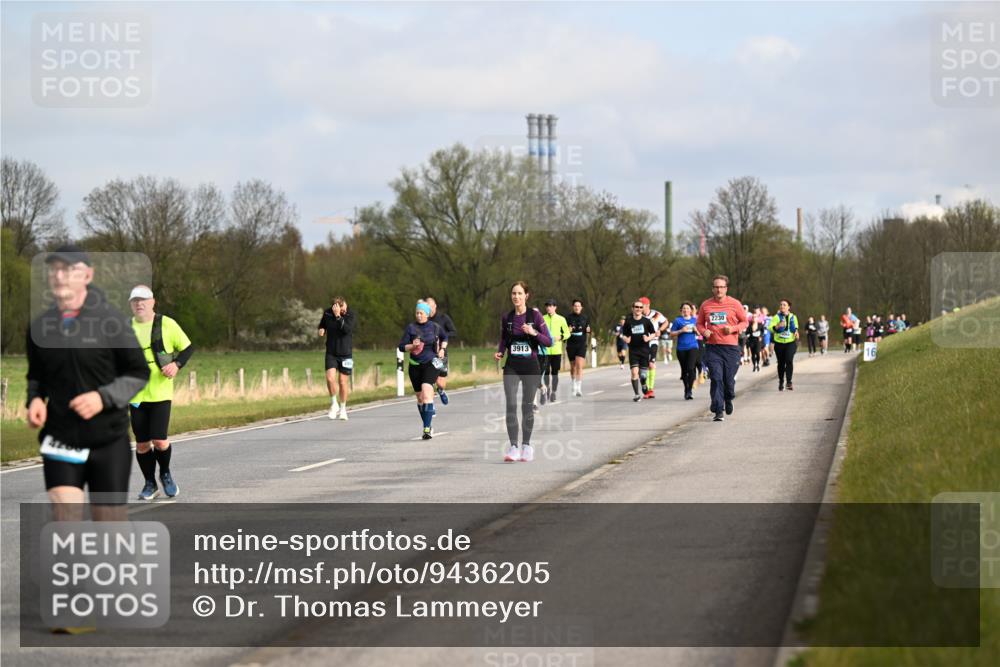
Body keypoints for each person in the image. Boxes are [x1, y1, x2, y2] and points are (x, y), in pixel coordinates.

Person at [26, 245, 150, 522]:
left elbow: (138, 372)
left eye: (69, 270)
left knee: (110, 528)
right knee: (65, 517)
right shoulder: (40, 327)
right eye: (55, 269)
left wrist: (102, 398)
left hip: (107, 440)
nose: (60, 276)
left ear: (87, 275)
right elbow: (37, 375)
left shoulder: (111, 322)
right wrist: (34, 399)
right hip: (61, 437)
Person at [128, 285, 195, 501]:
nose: (139, 303)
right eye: (135, 300)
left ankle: (165, 474)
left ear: (152, 302)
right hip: (136, 396)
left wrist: (176, 365)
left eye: (143, 300)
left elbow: (187, 348)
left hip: (161, 393)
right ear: (131, 304)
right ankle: (150, 484)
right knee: (141, 443)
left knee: (159, 440)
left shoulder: (166, 324)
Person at [495, 282, 552, 462]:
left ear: (526, 295)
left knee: (526, 406)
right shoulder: (507, 317)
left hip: (530, 366)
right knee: (510, 405)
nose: (516, 297)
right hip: (512, 365)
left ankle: (526, 446)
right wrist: (500, 352)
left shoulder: (535, 316)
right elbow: (504, 338)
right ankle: (513, 447)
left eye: (520, 293)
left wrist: (534, 332)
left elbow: (548, 341)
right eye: (514, 293)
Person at [696, 275, 749, 422]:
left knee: (728, 380)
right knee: (716, 378)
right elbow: (699, 323)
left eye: (721, 287)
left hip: (731, 348)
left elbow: (745, 322)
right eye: (716, 287)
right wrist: (703, 331)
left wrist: (732, 329)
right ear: (713, 289)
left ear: (726, 288)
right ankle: (718, 410)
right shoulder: (706, 305)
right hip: (713, 348)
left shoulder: (734, 304)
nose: (719, 289)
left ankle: (728, 397)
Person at [399, 301, 447, 440]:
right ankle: (428, 424)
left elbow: (445, 337)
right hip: (414, 366)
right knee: (420, 398)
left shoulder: (435, 327)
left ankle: (426, 429)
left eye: (421, 313)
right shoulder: (411, 328)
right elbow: (401, 347)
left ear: (427, 314)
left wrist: (442, 348)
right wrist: (411, 346)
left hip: (431, 363)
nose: (419, 315)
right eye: (417, 313)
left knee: (427, 393)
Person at [317, 296, 355, 420]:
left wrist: (339, 316)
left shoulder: (350, 314)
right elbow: (322, 324)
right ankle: (334, 404)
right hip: (331, 352)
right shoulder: (327, 313)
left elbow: (346, 329)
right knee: (329, 378)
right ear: (334, 307)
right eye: (340, 308)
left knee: (343, 382)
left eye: (344, 307)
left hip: (346, 354)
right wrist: (322, 330)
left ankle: (343, 408)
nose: (344, 310)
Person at [620, 299, 657, 402]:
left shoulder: (646, 321)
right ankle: (636, 394)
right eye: (636, 307)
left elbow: (654, 333)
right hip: (633, 350)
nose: (639, 309)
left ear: (643, 309)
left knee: (643, 375)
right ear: (633, 308)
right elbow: (623, 334)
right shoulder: (628, 321)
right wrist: (625, 339)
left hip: (644, 350)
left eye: (641, 307)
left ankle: (644, 383)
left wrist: (648, 338)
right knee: (634, 372)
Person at [425, 296, 457, 405]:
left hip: (441, 353)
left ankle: (441, 390)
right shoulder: (424, 320)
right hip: (428, 354)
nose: (429, 309)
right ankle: (429, 406)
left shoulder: (443, 318)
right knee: (428, 380)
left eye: (430, 306)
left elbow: (453, 331)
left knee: (440, 382)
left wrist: (442, 336)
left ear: (435, 306)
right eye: (426, 307)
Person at [540, 299, 570, 404]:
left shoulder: (561, 319)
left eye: (551, 306)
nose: (548, 308)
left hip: (557, 350)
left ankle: (554, 392)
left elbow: (567, 333)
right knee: (546, 372)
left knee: (555, 373)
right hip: (545, 350)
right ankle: (547, 388)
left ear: (555, 307)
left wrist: (560, 337)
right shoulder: (542, 318)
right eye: (547, 306)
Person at [669, 302, 699, 400]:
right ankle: (686, 389)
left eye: (687, 308)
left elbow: (700, 333)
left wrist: (696, 330)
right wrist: (681, 330)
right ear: (681, 310)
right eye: (684, 309)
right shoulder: (678, 320)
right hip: (681, 348)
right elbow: (671, 334)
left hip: (693, 347)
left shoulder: (695, 320)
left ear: (691, 310)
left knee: (691, 368)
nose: (686, 310)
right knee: (684, 370)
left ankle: (689, 390)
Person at [639, 297, 668, 398]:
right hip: (641, 343)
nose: (639, 308)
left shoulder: (656, 314)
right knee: (643, 366)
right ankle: (645, 388)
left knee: (651, 364)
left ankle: (650, 389)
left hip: (653, 341)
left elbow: (666, 322)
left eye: (641, 306)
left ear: (647, 305)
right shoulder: (637, 316)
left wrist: (660, 330)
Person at [768, 300, 800, 391]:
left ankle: (789, 382)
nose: (782, 306)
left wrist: (796, 332)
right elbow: (770, 328)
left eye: (784, 305)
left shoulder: (793, 317)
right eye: (781, 304)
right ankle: (781, 380)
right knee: (781, 363)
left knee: (789, 360)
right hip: (779, 343)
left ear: (788, 307)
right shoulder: (776, 317)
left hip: (790, 342)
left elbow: (796, 327)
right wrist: (777, 326)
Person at [565, 299, 591, 397]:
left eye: (578, 306)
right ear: (573, 307)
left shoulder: (585, 317)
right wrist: (568, 330)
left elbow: (588, 330)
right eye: (575, 306)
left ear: (581, 307)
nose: (577, 307)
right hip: (571, 345)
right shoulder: (568, 318)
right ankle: (573, 384)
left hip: (581, 344)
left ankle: (579, 388)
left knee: (579, 365)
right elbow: (564, 331)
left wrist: (589, 330)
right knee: (573, 366)